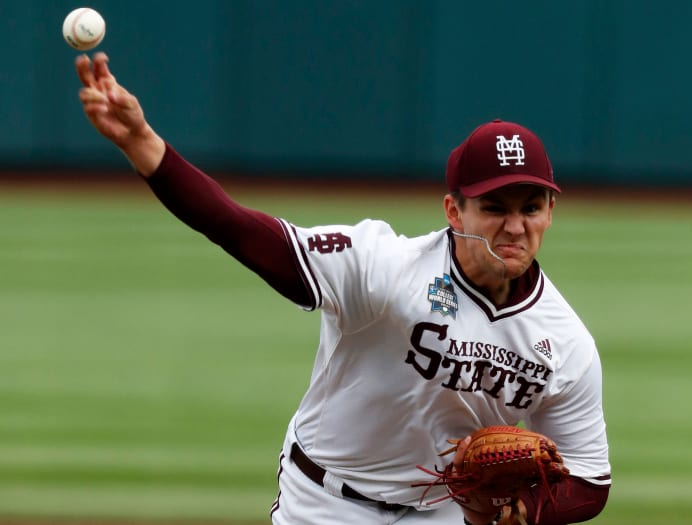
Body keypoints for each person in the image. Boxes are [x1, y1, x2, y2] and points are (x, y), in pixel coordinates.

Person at [75, 52, 611, 525]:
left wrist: (526, 513)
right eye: (495, 208)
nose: (515, 227)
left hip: (441, 513)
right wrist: (144, 144)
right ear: (454, 210)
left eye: (530, 208)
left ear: (550, 211)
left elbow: (590, 482)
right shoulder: (383, 265)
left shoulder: (564, 342)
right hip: (327, 500)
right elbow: (242, 230)